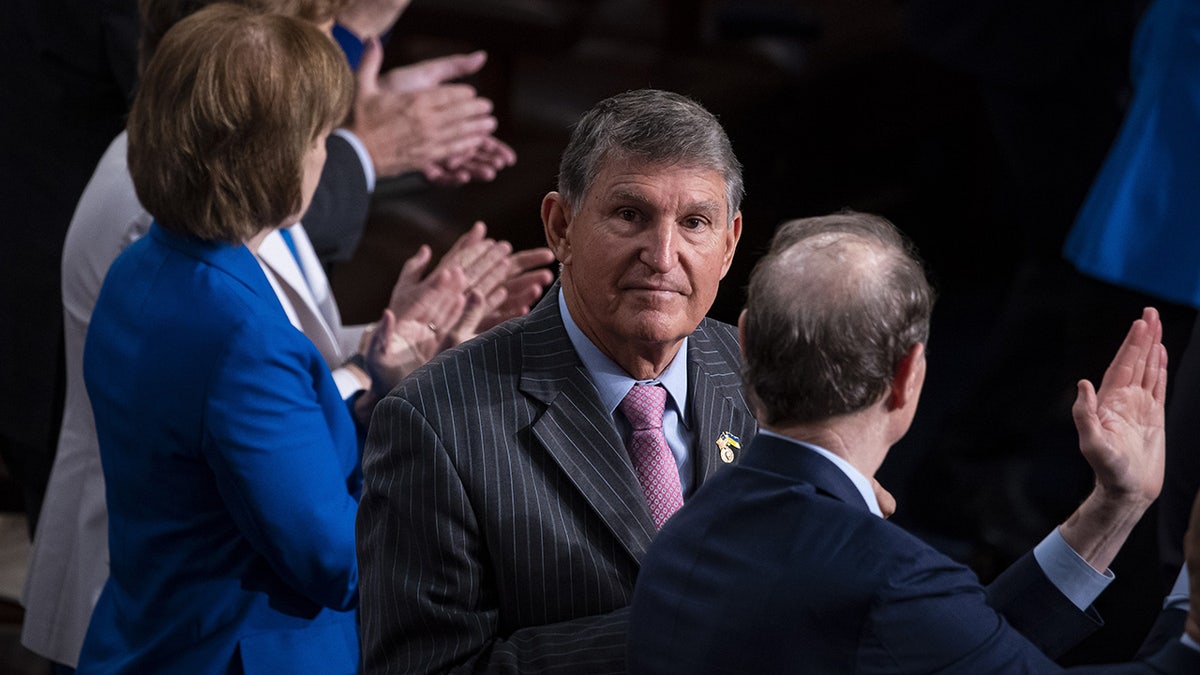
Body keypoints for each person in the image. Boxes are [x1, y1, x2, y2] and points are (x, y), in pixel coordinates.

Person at [627, 211, 1200, 673]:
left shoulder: (682, 527)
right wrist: (1191, 621)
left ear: (745, 345)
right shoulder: (893, 579)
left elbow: (964, 648)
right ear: (909, 375)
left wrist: (1115, 505)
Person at [356, 88, 757, 673]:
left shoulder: (762, 375)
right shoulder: (434, 421)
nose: (663, 254)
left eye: (695, 222)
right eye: (630, 215)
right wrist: (675, 629)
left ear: (728, 246)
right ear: (561, 226)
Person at [73, 5, 369, 671]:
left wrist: (370, 380)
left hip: (148, 632)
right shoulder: (241, 337)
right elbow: (337, 560)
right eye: (320, 137)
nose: (323, 154)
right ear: (270, 160)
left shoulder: (142, 266)